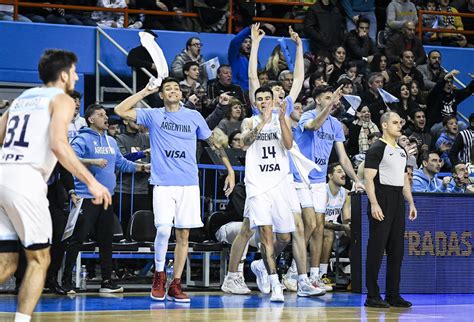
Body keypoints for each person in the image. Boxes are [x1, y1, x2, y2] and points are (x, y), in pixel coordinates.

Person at [0, 49, 111, 322]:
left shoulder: (21, 99)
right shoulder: (61, 99)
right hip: (26, 179)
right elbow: (59, 144)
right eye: (73, 71)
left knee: (6, 263)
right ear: (63, 75)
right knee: (40, 259)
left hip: (3, 175)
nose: (75, 76)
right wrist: (92, 182)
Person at [114, 77, 235, 303]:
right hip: (163, 183)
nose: (173, 91)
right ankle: (159, 276)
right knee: (162, 229)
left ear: (181, 93)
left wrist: (230, 170)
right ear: (161, 95)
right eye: (167, 88)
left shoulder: (193, 116)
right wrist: (144, 90)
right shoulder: (154, 114)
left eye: (176, 88)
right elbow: (120, 110)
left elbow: (214, 143)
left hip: (189, 183)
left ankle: (176, 284)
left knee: (183, 235)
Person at [62, 104, 150, 294]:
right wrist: (92, 161)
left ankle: (107, 281)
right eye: (100, 115)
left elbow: (122, 164)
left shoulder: (110, 141)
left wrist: (143, 167)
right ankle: (66, 281)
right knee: (76, 240)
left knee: (106, 241)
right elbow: (69, 159)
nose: (106, 117)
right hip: (86, 197)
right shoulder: (82, 139)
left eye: (106, 114)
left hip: (107, 198)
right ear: (91, 119)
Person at [290, 85, 364, 292]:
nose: (333, 100)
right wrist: (331, 104)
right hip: (301, 177)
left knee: (320, 227)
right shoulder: (307, 116)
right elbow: (313, 126)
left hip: (318, 179)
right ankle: (294, 271)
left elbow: (343, 158)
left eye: (334, 97)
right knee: (311, 224)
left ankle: (315, 275)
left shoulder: (336, 126)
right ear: (318, 100)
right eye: (328, 97)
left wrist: (355, 179)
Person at [240, 86, 294, 302]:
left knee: (285, 237)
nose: (263, 101)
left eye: (267, 98)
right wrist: (262, 121)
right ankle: (275, 284)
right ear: (255, 103)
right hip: (257, 185)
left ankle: (261, 265)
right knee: (266, 234)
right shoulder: (250, 122)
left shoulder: (281, 120)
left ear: (273, 101)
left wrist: (281, 120)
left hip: (279, 184)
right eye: (259, 99)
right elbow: (244, 143)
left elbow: (289, 145)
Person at [364, 111, 417, 308]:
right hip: (382, 198)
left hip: (397, 201)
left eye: (400, 122)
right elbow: (368, 179)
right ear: (384, 125)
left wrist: (410, 203)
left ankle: (393, 295)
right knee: (376, 249)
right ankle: (372, 295)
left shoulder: (402, 150)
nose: (399, 125)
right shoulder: (377, 148)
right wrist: (374, 203)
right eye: (395, 122)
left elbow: (404, 179)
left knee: (397, 251)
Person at [114, 118, 151, 233]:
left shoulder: (146, 138)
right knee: (123, 225)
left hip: (143, 189)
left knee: (140, 226)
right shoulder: (119, 139)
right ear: (125, 122)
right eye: (133, 119)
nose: (137, 120)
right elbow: (122, 160)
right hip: (124, 189)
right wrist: (143, 155)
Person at [320, 163, 351, 284]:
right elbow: (319, 222)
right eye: (339, 171)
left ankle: (354, 274)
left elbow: (346, 218)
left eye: (344, 172)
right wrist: (343, 226)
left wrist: (349, 225)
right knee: (329, 233)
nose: (343, 174)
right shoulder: (323, 191)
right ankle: (322, 274)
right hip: (317, 231)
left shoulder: (346, 193)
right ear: (330, 176)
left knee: (356, 232)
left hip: (335, 228)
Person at [228, 25, 252, 91]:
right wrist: (248, 30)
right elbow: (234, 43)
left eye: (250, 42)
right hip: (239, 91)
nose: (248, 44)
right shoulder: (235, 57)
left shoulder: (254, 59)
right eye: (245, 42)